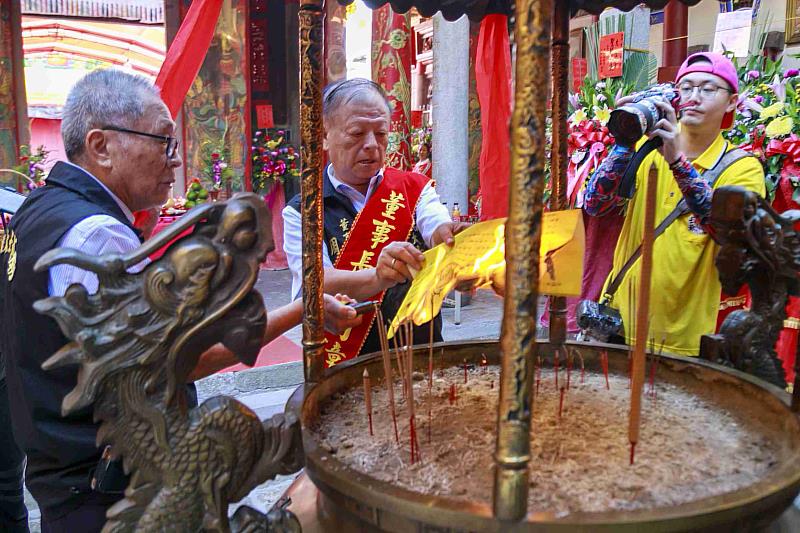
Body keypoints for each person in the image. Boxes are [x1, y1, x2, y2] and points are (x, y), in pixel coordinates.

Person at [0, 69, 360, 532]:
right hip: (112, 489)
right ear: (101, 145)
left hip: (65, 473)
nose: (174, 160)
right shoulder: (95, 235)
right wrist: (304, 312)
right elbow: (177, 361)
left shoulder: (37, 208)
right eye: (163, 141)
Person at [583, 52, 765, 356]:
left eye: (708, 89)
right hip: (619, 322)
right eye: (686, 88)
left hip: (682, 336)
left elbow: (726, 234)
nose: (694, 97)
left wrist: (677, 162)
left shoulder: (742, 167)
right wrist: (625, 139)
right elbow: (595, 204)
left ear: (732, 101)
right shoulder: (646, 149)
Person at [283, 78, 469, 368]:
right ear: (323, 134)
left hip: (421, 355)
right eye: (356, 133)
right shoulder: (303, 211)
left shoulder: (414, 189)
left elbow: (437, 227)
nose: (371, 145)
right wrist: (377, 277)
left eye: (381, 133)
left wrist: (454, 241)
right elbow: (316, 283)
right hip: (348, 364)